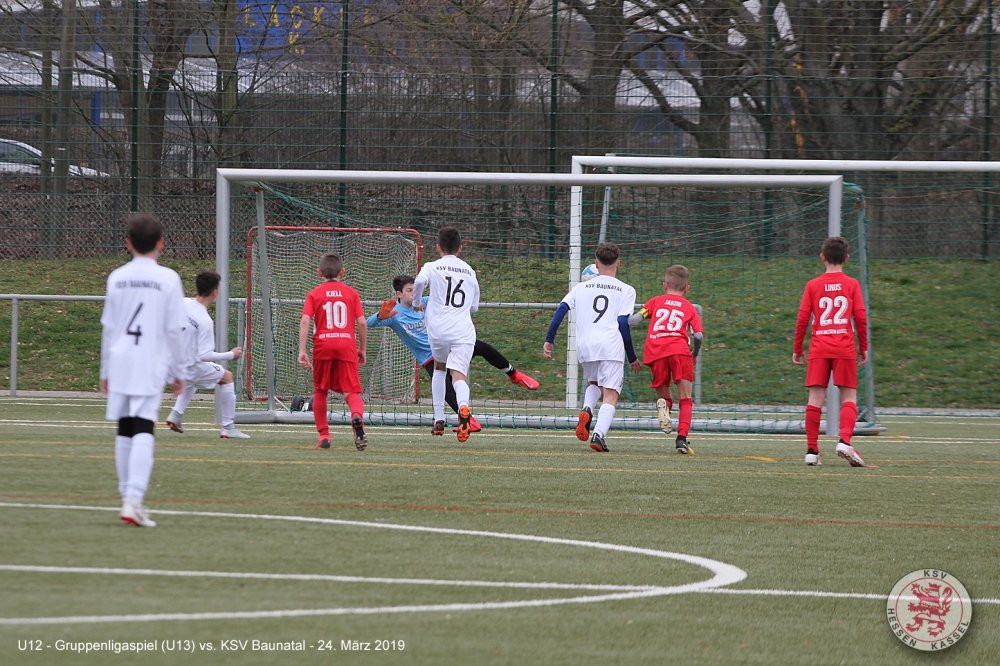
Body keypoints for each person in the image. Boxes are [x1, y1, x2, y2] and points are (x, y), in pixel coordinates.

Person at [100, 213, 187, 528]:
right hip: (149, 361)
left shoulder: (117, 277)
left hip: (121, 360)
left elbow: (109, 327)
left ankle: (128, 498)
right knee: (143, 427)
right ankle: (133, 500)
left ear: (128, 244)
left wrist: (105, 369)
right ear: (161, 244)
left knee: (125, 426)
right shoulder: (169, 279)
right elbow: (175, 329)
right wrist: (178, 369)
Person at [369, 274, 540, 433]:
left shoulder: (427, 302)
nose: (415, 293)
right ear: (399, 293)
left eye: (416, 289)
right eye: (409, 290)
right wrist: (379, 317)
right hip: (429, 357)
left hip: (449, 345)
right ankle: (468, 420)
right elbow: (369, 323)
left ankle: (514, 374)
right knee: (446, 387)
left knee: (482, 347)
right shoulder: (393, 314)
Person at [543, 243, 641, 453]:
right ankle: (598, 435)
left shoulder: (581, 287)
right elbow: (622, 322)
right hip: (610, 345)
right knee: (611, 394)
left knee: (594, 383)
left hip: (586, 345)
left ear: (596, 264)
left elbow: (561, 309)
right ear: (618, 264)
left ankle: (587, 408)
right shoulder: (626, 290)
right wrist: (632, 356)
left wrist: (549, 339)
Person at [793, 236, 872, 467]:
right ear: (846, 258)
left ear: (822, 257)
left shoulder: (813, 285)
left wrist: (797, 347)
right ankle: (844, 441)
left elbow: (802, 319)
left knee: (815, 398)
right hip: (844, 347)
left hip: (819, 347)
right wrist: (863, 347)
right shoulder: (852, 284)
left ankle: (811, 451)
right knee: (849, 397)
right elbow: (860, 317)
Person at [412, 226, 480, 442]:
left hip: (439, 329)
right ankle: (463, 408)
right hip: (463, 330)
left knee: (440, 368)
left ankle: (439, 420)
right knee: (459, 376)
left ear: (438, 247)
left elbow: (419, 282)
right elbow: (474, 307)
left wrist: (416, 303)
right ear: (460, 248)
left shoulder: (432, 266)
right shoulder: (469, 271)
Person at [628, 265, 703, 454]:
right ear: (687, 288)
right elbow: (698, 335)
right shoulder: (689, 307)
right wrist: (694, 353)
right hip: (680, 352)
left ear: (665, 285)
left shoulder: (655, 301)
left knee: (664, 396)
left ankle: (665, 408)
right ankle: (681, 439)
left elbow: (635, 320)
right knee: (686, 398)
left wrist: (624, 317)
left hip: (656, 352)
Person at [166, 270, 249, 439]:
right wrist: (230, 355)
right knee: (226, 377)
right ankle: (228, 427)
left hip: (170, 364)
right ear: (215, 292)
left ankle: (176, 415)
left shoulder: (182, 303)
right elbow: (204, 355)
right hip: (189, 368)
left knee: (197, 377)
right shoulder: (205, 321)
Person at [298, 253, 369, 451]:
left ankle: (324, 436)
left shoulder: (314, 294)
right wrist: (362, 348)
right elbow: (362, 322)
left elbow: (305, 321)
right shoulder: (351, 293)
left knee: (320, 390)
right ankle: (357, 418)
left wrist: (302, 350)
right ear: (342, 272)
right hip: (346, 345)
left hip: (323, 346)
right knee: (351, 390)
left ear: (319, 273)